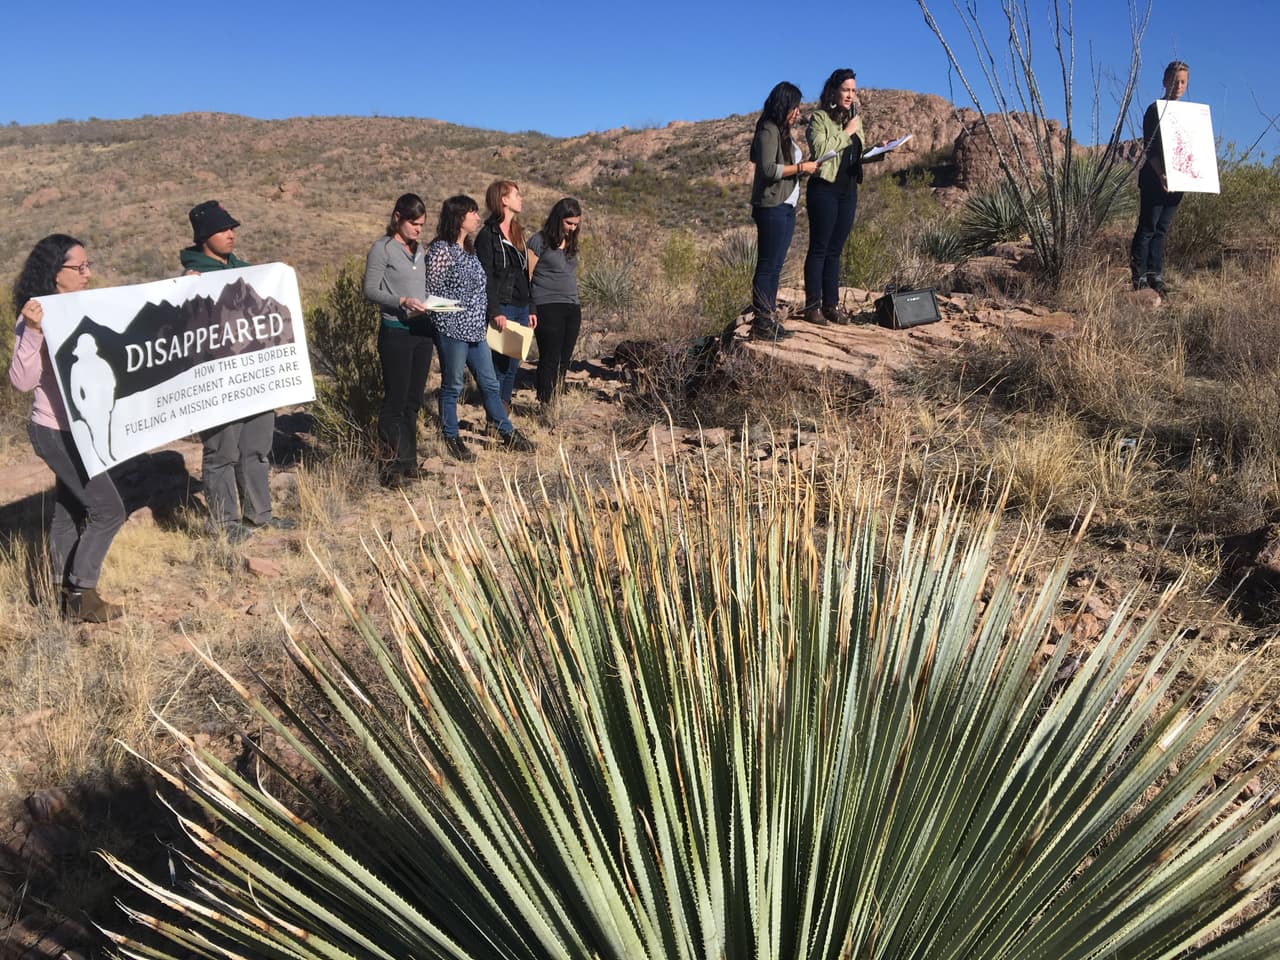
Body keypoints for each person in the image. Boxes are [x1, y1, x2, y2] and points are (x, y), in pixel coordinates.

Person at [9, 235, 126, 622]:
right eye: (79, 267)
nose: (87, 274)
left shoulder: (82, 309)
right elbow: (23, 382)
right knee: (109, 510)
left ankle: (57, 589)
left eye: (88, 265)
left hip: (82, 428)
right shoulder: (34, 318)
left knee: (69, 508)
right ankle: (81, 594)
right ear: (54, 273)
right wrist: (33, 331)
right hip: (56, 432)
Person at [181, 200, 295, 541]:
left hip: (255, 377)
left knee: (256, 447)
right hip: (216, 381)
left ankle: (258, 515)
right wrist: (186, 289)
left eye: (232, 228)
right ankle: (224, 523)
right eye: (222, 229)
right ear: (204, 237)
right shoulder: (192, 280)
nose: (230, 234)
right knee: (221, 453)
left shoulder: (244, 270)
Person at [426, 195, 536, 462]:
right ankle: (451, 435)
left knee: (488, 382)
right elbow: (430, 293)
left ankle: (505, 431)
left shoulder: (469, 249)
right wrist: (452, 315)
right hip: (452, 330)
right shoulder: (441, 250)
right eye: (472, 213)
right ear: (458, 218)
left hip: (476, 330)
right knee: (453, 384)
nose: (477, 217)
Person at [803, 68, 885, 326]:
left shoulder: (854, 118)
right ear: (834, 90)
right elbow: (820, 150)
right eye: (846, 90)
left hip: (848, 191)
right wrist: (847, 132)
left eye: (853, 91)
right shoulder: (819, 119)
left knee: (835, 251)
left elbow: (855, 154)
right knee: (819, 248)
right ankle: (812, 306)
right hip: (824, 189)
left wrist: (880, 150)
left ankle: (831, 305)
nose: (850, 95)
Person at [363, 193, 433, 489]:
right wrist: (401, 300)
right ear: (397, 218)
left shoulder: (421, 250)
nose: (418, 229)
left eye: (422, 225)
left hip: (422, 331)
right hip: (396, 331)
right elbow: (370, 290)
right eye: (414, 223)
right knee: (395, 400)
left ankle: (409, 463)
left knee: (413, 401)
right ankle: (389, 468)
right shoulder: (383, 249)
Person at [749, 81, 819, 341]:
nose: (798, 112)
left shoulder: (781, 132)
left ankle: (767, 320)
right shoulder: (768, 130)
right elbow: (767, 169)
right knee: (768, 267)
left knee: (775, 266)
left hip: (785, 207)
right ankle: (762, 322)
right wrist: (801, 169)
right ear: (785, 105)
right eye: (795, 107)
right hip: (772, 207)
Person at [476, 181, 537, 416]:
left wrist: (532, 307)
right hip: (502, 307)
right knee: (499, 365)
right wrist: (494, 311)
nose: (520, 199)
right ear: (503, 200)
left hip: (521, 307)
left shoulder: (518, 232)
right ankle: (495, 416)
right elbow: (487, 278)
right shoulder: (487, 235)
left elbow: (525, 274)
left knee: (513, 364)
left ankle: (504, 412)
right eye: (516, 195)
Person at [1131, 61, 1190, 295]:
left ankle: (1156, 275)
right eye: (1175, 81)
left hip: (1179, 180)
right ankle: (1139, 276)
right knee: (1148, 226)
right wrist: (1161, 174)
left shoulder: (1188, 116)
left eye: (1183, 82)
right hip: (1155, 179)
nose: (1178, 86)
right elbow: (1151, 146)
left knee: (1162, 229)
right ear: (1165, 82)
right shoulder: (1154, 110)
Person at [527, 198, 584, 406]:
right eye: (569, 223)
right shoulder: (538, 241)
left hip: (571, 305)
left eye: (576, 224)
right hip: (546, 304)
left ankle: (556, 400)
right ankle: (545, 402)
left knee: (564, 359)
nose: (572, 228)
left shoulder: (571, 243)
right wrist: (530, 306)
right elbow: (527, 275)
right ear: (558, 219)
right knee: (550, 357)